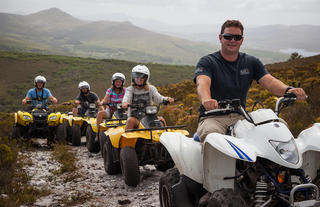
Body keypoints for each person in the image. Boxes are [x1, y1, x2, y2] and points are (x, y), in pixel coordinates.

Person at [194, 20, 307, 142]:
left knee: (278, 126)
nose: (232, 40)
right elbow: (203, 82)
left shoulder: (251, 62)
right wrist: (206, 99)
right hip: (213, 117)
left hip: (241, 116)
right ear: (220, 38)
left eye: (237, 37)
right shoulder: (208, 62)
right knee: (212, 137)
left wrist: (289, 90)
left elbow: (269, 81)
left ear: (241, 40)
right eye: (228, 37)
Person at [122, 65, 174, 130]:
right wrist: (125, 103)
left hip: (149, 116)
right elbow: (126, 98)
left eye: (142, 77)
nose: (139, 79)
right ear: (133, 77)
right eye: (137, 76)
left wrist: (167, 99)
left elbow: (158, 98)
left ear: (146, 78)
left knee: (161, 120)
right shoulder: (130, 89)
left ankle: (165, 137)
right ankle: (128, 139)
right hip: (136, 118)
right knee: (130, 121)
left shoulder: (151, 88)